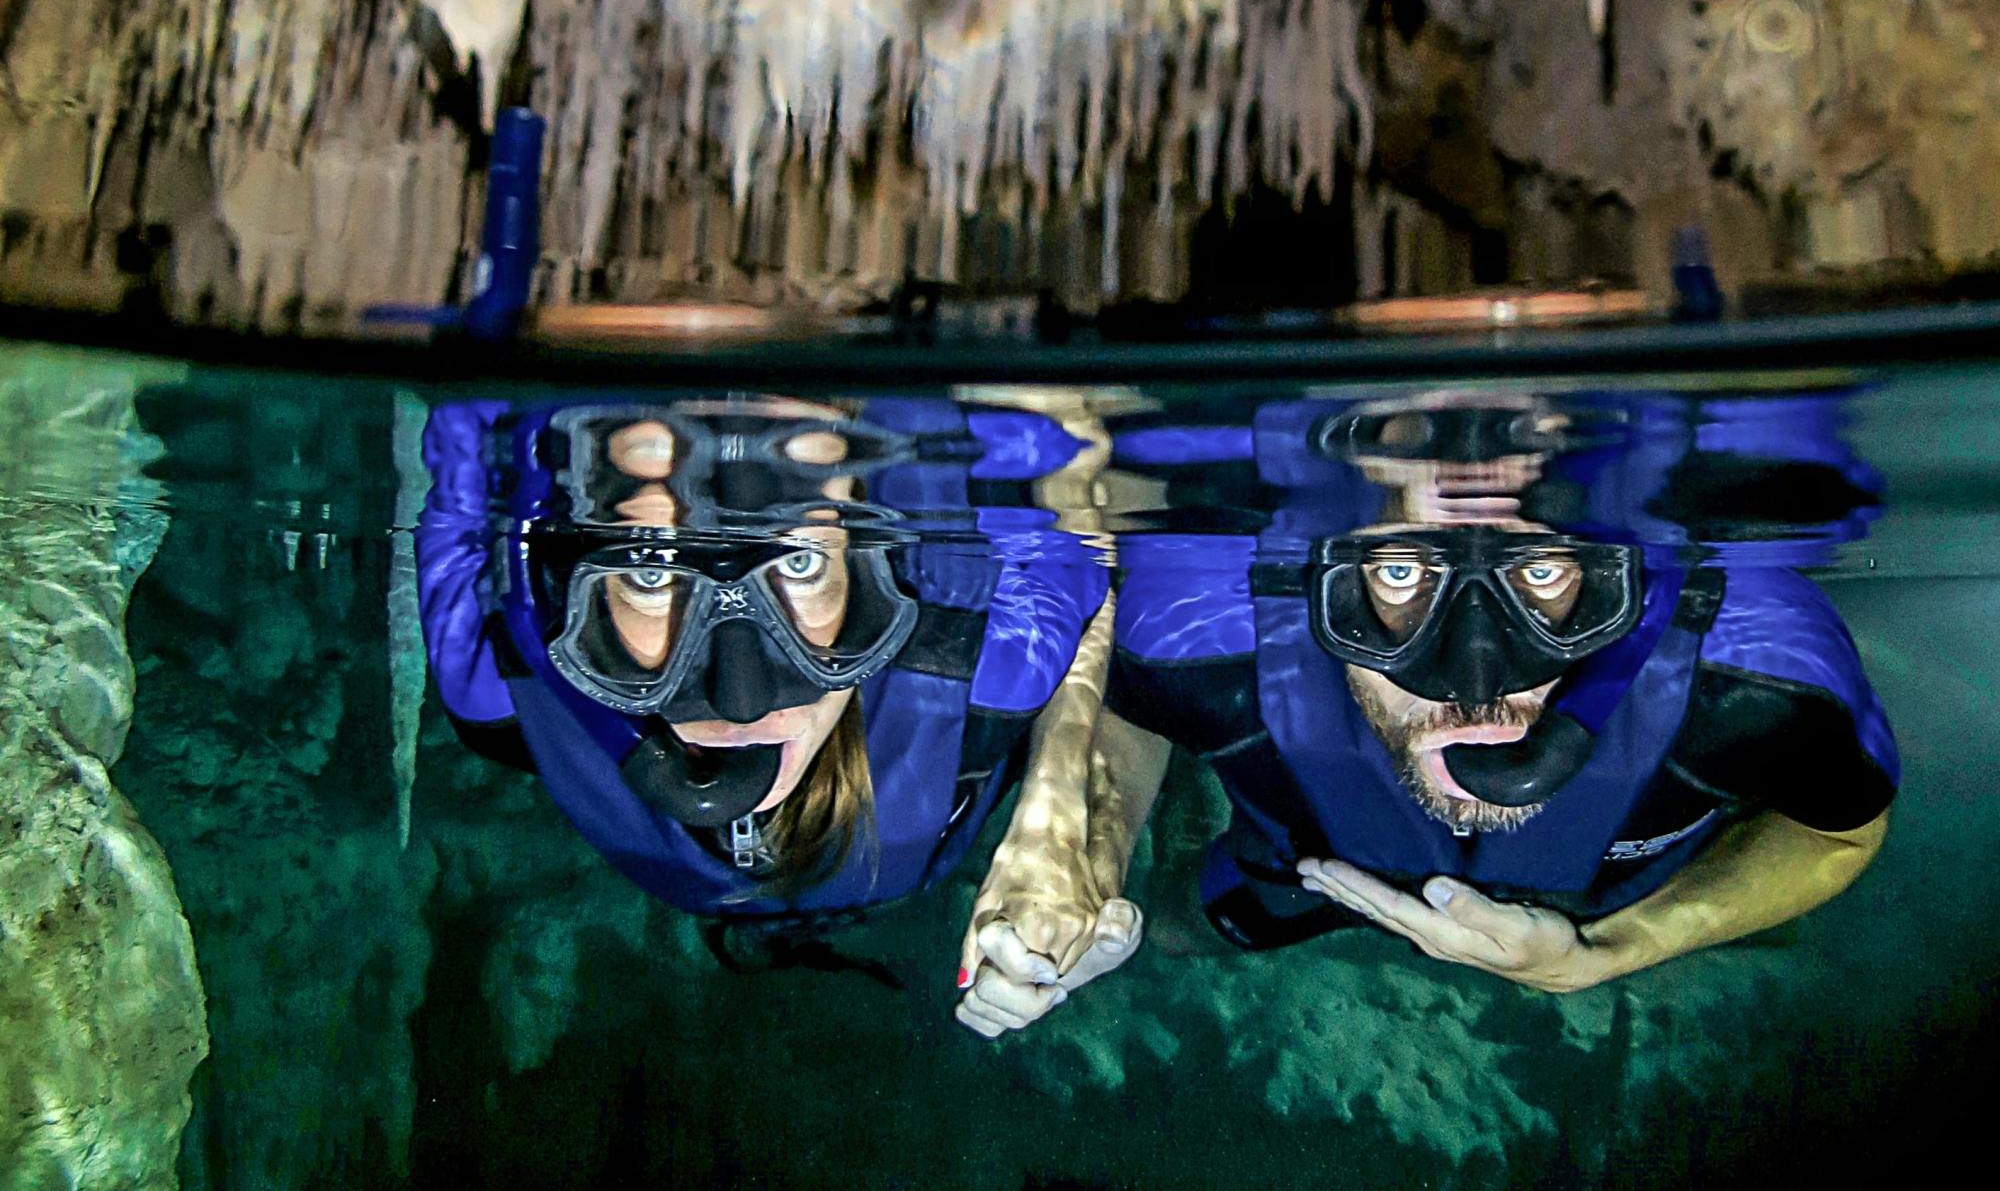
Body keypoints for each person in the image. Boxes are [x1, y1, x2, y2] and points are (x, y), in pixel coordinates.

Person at [954, 388, 1897, 1035]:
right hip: (1307, 871)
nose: (1469, 676)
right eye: (1401, 575)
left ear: (1614, 577)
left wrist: (1612, 951)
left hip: (1597, 898)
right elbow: (1136, 703)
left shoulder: (1757, 683)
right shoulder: (1213, 627)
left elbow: (1838, 833)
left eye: (1539, 573)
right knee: (1177, 930)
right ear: (1328, 566)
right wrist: (1088, 859)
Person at [415, 394, 1113, 951]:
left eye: (651, 565)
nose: (740, 700)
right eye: (654, 570)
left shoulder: (492, 676)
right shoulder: (991, 664)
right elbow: (1066, 454)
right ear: (868, 556)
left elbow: (463, 419)